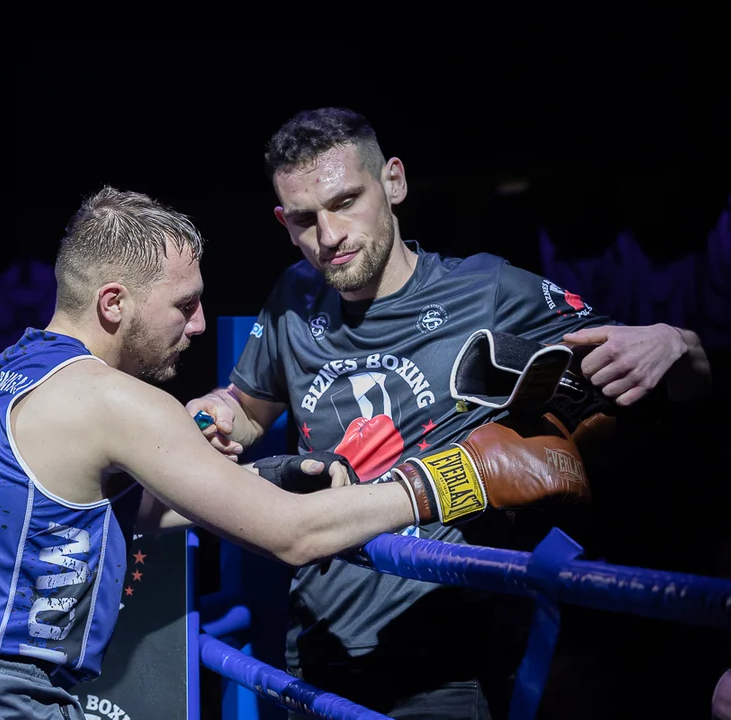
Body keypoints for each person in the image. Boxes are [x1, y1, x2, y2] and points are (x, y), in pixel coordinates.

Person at [0, 185, 591, 720]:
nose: (203, 325)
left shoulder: (3, 373)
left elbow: (99, 516)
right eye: (183, 305)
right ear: (114, 303)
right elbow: (293, 537)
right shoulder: (112, 398)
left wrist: (260, 479)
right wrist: (463, 476)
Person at [186, 107, 712, 719]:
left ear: (394, 182)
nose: (328, 235)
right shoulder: (293, 295)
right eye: (304, 219)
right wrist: (220, 411)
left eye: (346, 201)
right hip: (317, 639)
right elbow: (249, 408)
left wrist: (678, 342)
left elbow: (669, 378)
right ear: (283, 222)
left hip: (444, 651)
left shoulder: (487, 289)